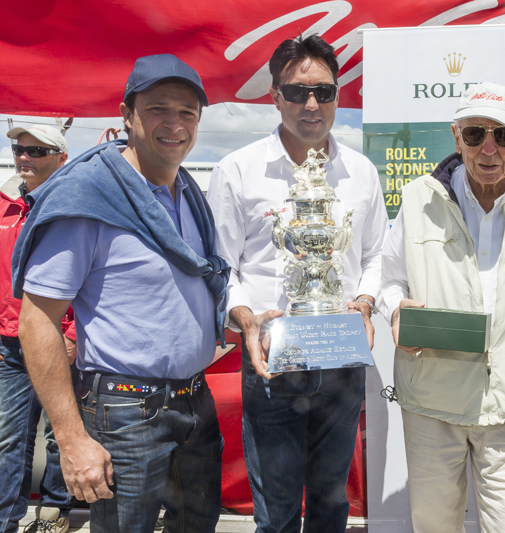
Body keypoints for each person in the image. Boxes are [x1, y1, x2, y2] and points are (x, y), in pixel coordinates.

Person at [12, 54, 230, 533]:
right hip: (125, 413)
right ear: (126, 115)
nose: (174, 124)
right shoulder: (89, 199)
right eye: (157, 109)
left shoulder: (188, 193)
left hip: (195, 404)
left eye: (187, 112)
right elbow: (37, 320)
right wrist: (70, 440)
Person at [206, 34, 388, 533]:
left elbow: (376, 256)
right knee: (278, 508)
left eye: (324, 93)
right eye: (298, 92)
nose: (312, 104)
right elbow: (222, 266)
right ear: (275, 96)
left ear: (337, 97)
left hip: (341, 354)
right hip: (272, 358)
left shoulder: (362, 172)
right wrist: (246, 320)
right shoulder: (237, 171)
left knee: (333, 506)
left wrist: (366, 303)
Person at [378, 81, 505, 532]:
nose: (488, 148)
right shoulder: (416, 197)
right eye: (475, 133)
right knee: (434, 526)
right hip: (431, 402)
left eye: (501, 136)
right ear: (455, 135)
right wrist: (396, 311)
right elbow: (389, 280)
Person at [0, 125, 74, 533]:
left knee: (61, 433)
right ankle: (6, 520)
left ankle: (54, 510)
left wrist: (74, 335)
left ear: (61, 158)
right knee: (9, 437)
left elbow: (92, 275)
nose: (24, 156)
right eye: (18, 149)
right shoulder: (4, 205)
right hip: (10, 344)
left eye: (36, 150)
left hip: (60, 341)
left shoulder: (74, 205)